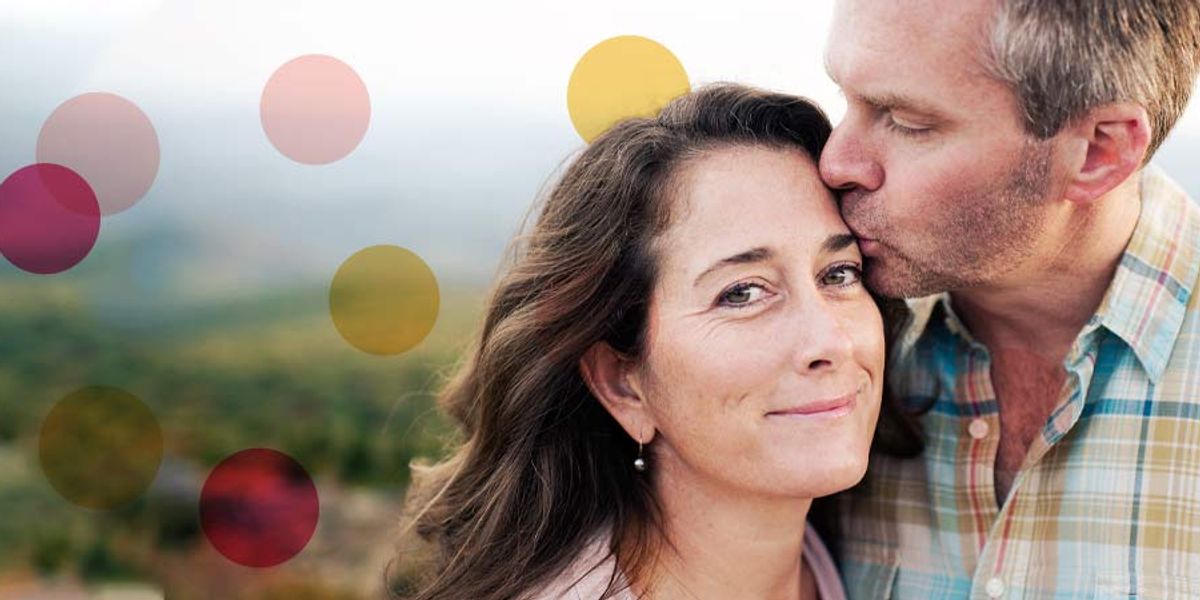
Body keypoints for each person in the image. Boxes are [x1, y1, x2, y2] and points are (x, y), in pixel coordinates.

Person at [393, 83, 913, 600]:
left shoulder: (850, 562)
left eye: (840, 273)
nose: (830, 341)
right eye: (743, 293)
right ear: (623, 383)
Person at [819, 0, 1200, 597]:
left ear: (1099, 153)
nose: (836, 162)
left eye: (907, 120)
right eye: (845, 98)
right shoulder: (821, 356)